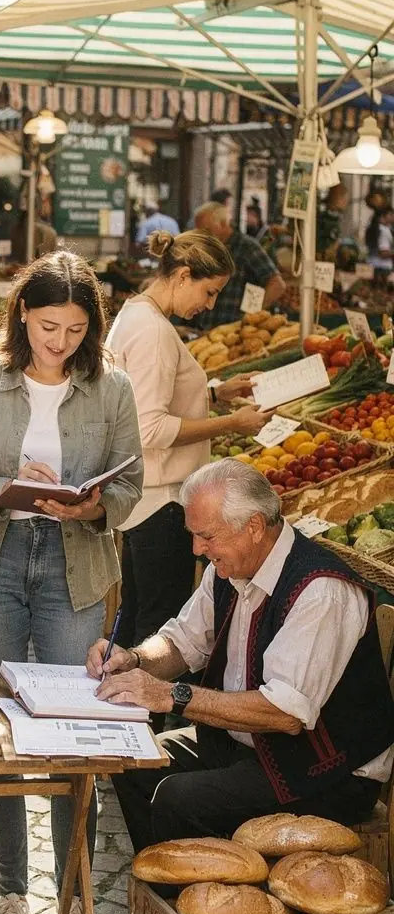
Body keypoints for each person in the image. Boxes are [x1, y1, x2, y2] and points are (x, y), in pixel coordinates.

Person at [86, 460, 394, 914]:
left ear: (254, 526)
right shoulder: (230, 568)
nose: (196, 549)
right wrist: (134, 659)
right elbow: (182, 643)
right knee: (133, 761)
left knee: (182, 799)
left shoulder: (319, 589)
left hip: (330, 768)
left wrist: (170, 696)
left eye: (206, 536)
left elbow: (285, 713)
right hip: (253, 745)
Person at [0, 252, 143, 914]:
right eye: (49, 325)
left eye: (76, 329)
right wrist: (6, 484)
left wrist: (93, 504)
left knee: (69, 734)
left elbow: (130, 486)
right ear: (23, 314)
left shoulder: (110, 387)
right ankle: (11, 896)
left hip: (73, 564)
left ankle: (76, 904)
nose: (60, 342)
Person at [107, 231, 270, 648]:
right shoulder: (154, 332)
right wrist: (231, 423)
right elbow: (151, 428)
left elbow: (147, 401)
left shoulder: (137, 315)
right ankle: (148, 712)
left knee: (138, 618)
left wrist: (215, 393)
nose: (210, 305)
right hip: (160, 503)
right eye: (209, 291)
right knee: (159, 631)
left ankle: (120, 704)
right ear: (182, 275)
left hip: (144, 501)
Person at [192, 201, 286, 330]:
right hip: (203, 332)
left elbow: (277, 285)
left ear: (224, 224)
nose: (202, 236)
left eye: (206, 230)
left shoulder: (247, 247)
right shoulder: (206, 250)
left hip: (233, 334)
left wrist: (252, 316)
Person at [365, 203, 394, 276]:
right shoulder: (383, 230)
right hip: (382, 269)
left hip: (371, 265)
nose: (393, 217)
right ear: (383, 216)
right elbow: (383, 253)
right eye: (391, 214)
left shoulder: (371, 228)